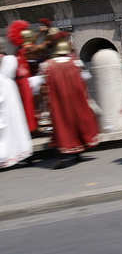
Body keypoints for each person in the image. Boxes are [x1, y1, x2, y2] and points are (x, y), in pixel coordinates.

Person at [40, 41, 100, 169]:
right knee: (77, 123)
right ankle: (79, 153)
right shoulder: (76, 63)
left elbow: (42, 85)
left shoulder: (47, 65)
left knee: (62, 126)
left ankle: (65, 156)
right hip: (77, 100)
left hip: (59, 102)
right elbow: (86, 78)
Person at [0, 38, 33, 169]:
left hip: (7, 94)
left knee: (9, 125)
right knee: (14, 123)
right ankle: (17, 152)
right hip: (9, 92)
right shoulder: (10, 60)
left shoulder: (8, 60)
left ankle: (10, 154)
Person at [6, 20, 38, 134]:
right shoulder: (22, 51)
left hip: (25, 79)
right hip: (24, 80)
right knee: (28, 104)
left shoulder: (19, 50)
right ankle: (31, 128)